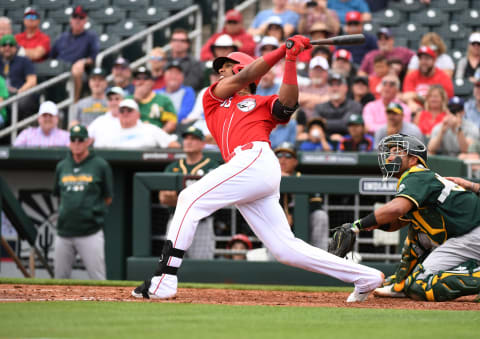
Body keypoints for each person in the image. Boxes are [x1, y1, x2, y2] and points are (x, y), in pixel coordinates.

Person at [131, 38, 384, 302]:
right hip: (246, 168)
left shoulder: (261, 102)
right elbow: (250, 74)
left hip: (255, 158)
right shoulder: (212, 97)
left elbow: (287, 103)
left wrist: (290, 59)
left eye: (227, 66)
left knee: (188, 198)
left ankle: (164, 278)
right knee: (285, 249)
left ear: (239, 69)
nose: (220, 71)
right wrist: (281, 49)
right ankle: (364, 276)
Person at [329, 133, 480, 302]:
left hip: (473, 233)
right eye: (390, 151)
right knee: (417, 237)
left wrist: (357, 226)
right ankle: (402, 282)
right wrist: (372, 224)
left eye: (397, 151)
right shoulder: (417, 178)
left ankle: (406, 283)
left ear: (413, 159)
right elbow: (395, 222)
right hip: (462, 237)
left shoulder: (416, 174)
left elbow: (397, 208)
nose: (390, 156)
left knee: (422, 286)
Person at [53, 124, 113, 280]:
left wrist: (92, 213)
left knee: (98, 279)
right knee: (59, 280)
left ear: (88, 142)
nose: (77, 143)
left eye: (81, 140)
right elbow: (58, 194)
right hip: (64, 232)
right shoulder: (62, 166)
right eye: (73, 139)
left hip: (90, 232)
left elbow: (108, 197)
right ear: (69, 142)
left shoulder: (100, 165)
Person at [159, 126, 219, 259]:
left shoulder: (212, 166)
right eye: (186, 138)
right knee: (169, 262)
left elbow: (214, 199)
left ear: (203, 144)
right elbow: (163, 198)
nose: (189, 141)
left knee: (202, 265)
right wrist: (195, 199)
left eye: (194, 138)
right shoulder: (173, 167)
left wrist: (178, 197)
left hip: (201, 222)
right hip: (176, 220)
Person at [275, 142, 330, 249]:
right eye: (279, 155)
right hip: (278, 229)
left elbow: (316, 205)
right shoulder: (267, 179)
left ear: (295, 162)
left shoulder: (303, 179)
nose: (283, 159)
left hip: (303, 227)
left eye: (288, 156)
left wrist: (294, 216)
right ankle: (272, 263)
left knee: (320, 216)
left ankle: (318, 258)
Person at [50, 6, 99, 102]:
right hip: (60, 68)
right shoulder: (62, 37)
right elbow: (52, 56)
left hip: (78, 70)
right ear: (70, 20)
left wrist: (83, 61)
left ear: (85, 20)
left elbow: (93, 57)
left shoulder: (91, 36)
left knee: (77, 70)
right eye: (75, 17)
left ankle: (74, 102)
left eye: (81, 17)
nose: (77, 20)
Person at [93, 99, 179, 149]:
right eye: (122, 111)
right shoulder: (109, 131)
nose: (125, 113)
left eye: (129, 110)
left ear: (138, 115)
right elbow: (97, 149)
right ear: (118, 114)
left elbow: (173, 145)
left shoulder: (150, 129)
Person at [312, 72, 362, 140]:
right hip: (324, 143)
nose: (334, 88)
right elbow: (315, 126)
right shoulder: (319, 107)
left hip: (349, 144)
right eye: (331, 85)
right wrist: (329, 137)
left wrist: (323, 122)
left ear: (346, 88)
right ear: (327, 88)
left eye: (338, 84)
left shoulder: (355, 105)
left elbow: (346, 125)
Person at [0, 34, 38, 121]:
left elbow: (32, 80)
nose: (7, 48)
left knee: (23, 102)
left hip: (19, 93)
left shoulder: (24, 60)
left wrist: (20, 92)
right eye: (4, 45)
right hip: (1, 95)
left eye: (11, 45)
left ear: (16, 47)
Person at [132, 66, 177, 133]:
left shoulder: (163, 100)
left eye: (145, 78)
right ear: (134, 82)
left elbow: (172, 122)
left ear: (152, 82)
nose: (141, 81)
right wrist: (135, 101)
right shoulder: (127, 100)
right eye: (138, 78)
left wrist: (159, 136)